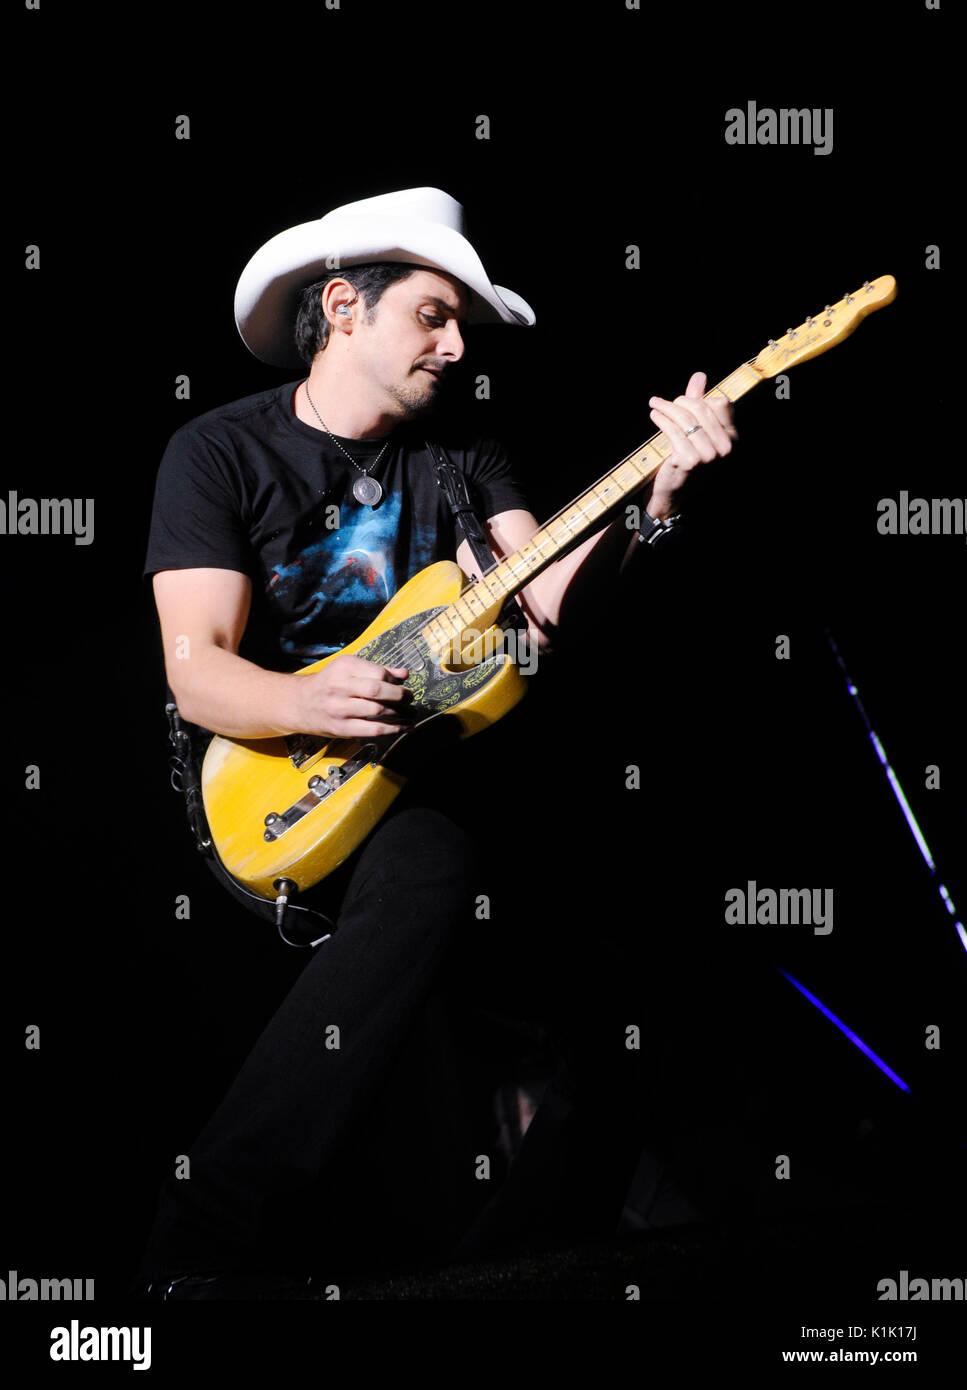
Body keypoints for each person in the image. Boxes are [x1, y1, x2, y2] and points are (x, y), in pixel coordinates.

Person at [136, 187, 737, 1298]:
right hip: (284, 789)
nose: (458, 345)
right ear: (342, 308)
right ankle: (200, 1245)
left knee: (660, 969)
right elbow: (197, 670)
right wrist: (309, 699)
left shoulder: (463, 457)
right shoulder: (216, 454)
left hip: (460, 775)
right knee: (429, 861)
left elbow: (548, 602)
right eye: (432, 316)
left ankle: (512, 1263)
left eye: (462, 322)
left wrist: (653, 502)